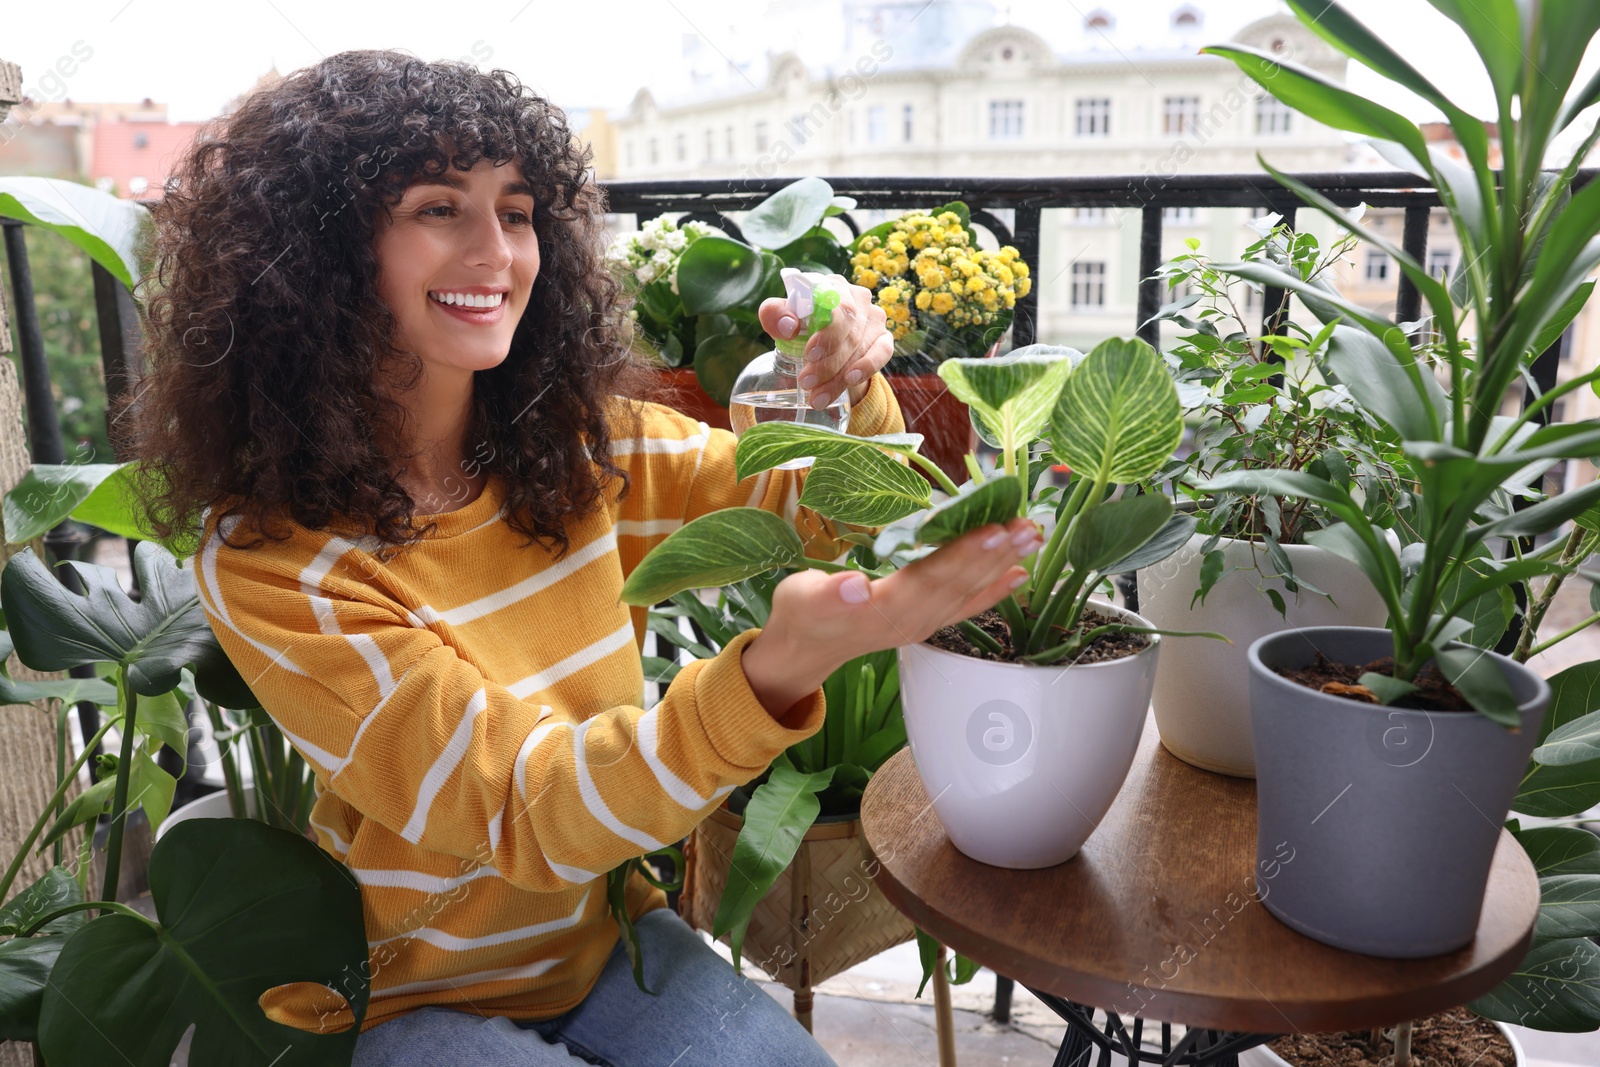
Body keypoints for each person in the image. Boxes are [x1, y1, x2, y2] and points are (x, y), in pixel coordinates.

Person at [123, 49, 1043, 1066]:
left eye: (515, 213)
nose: (496, 252)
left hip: (604, 941)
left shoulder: (585, 450)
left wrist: (846, 385)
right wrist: (773, 671)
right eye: (438, 208)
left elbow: (813, 508)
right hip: (401, 999)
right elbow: (522, 804)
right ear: (317, 254)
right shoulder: (275, 562)